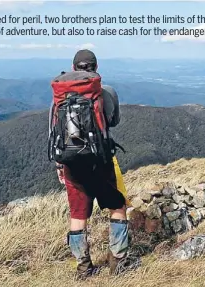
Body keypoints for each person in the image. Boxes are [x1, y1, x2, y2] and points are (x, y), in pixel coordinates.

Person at [52, 49, 135, 278]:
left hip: (71, 166)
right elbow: (113, 121)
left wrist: (60, 165)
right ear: (96, 68)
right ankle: (118, 263)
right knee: (117, 206)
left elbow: (54, 133)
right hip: (101, 162)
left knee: (78, 215)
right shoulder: (105, 92)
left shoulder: (59, 98)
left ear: (72, 67)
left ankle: (84, 268)